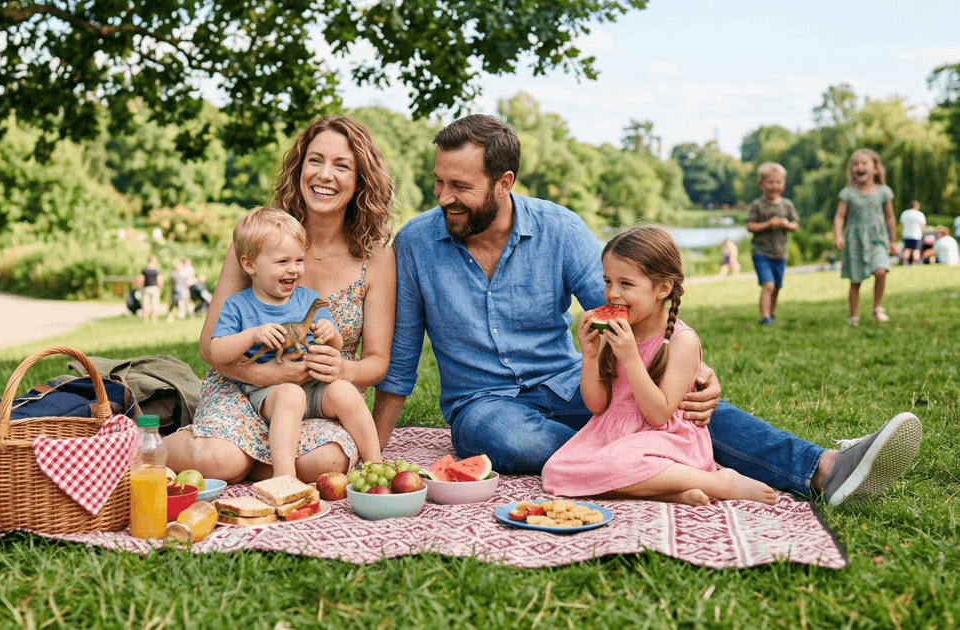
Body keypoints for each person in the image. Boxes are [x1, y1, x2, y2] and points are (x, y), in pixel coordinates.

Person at [372, 114, 921, 506]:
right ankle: (679, 474)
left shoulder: (558, 228)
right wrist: (373, 454)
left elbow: (627, 306)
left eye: (459, 186)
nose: (443, 196)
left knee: (677, 413)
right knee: (513, 439)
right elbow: (401, 359)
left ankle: (823, 467)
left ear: (504, 182)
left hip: (569, 382)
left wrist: (693, 368)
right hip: (483, 405)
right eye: (440, 181)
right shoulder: (417, 242)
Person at [163, 115, 397, 483]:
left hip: (321, 398)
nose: (324, 175)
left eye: (342, 165)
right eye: (315, 160)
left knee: (326, 463)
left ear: (360, 180)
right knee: (221, 461)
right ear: (299, 167)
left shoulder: (377, 257)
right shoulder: (259, 238)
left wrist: (343, 370)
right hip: (243, 387)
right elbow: (210, 347)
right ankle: (148, 447)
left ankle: (252, 461)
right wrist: (263, 373)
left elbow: (377, 362)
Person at [543, 227, 776, 506]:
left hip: (665, 439)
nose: (612, 293)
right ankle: (669, 492)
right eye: (607, 281)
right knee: (555, 472)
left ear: (662, 288)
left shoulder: (682, 341)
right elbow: (596, 405)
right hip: (612, 434)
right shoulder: (615, 332)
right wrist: (590, 357)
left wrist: (629, 357)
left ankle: (718, 481)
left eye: (625, 284)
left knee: (619, 464)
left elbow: (658, 415)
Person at [210, 207, 385, 479]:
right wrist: (252, 335)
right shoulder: (239, 305)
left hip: (314, 387)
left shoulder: (307, 299)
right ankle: (285, 478)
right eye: (282, 262)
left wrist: (331, 332)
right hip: (268, 392)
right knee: (290, 395)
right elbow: (216, 350)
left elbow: (336, 345)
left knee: (344, 391)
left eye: (299, 260)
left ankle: (376, 466)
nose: (293, 269)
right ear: (249, 265)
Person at [833, 148, 899, 326]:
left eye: (864, 163)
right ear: (851, 170)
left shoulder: (884, 192)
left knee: (881, 270)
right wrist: (838, 236)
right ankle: (854, 315)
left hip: (878, 237)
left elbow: (890, 217)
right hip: (855, 239)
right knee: (855, 280)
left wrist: (893, 241)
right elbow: (839, 216)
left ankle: (877, 307)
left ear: (875, 169)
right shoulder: (847, 193)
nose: (859, 167)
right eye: (855, 164)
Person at [745, 162, 798, 325]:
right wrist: (768, 224)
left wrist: (785, 225)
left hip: (780, 253)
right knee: (768, 284)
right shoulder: (757, 205)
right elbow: (750, 226)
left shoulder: (787, 205)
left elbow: (795, 225)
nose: (774, 186)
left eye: (778, 182)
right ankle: (765, 317)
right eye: (770, 182)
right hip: (761, 252)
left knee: (776, 287)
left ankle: (771, 314)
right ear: (761, 184)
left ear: (784, 184)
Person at [898, 201, 926, 265]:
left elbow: (901, 224)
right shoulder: (920, 214)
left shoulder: (905, 213)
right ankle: (915, 263)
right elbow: (923, 226)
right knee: (916, 250)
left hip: (906, 234)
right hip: (916, 235)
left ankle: (905, 262)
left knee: (906, 249)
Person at [137, 255, 162, 324]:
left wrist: (140, 288)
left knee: (145, 304)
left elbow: (141, 279)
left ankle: (145, 319)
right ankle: (154, 320)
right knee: (154, 304)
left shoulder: (144, 270)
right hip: (154, 288)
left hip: (146, 288)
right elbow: (159, 280)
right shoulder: (156, 270)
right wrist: (160, 288)